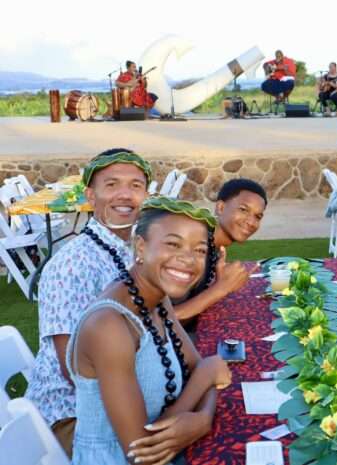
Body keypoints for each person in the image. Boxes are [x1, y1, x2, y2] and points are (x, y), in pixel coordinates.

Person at [67, 196, 232, 465]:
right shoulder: (109, 326)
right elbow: (141, 453)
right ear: (140, 247)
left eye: (200, 250)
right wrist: (204, 386)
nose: (188, 260)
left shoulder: (158, 299)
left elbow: (198, 366)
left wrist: (202, 416)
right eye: (172, 244)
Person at [25, 148, 152, 457]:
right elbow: (73, 368)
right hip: (73, 413)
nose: (125, 195)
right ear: (91, 196)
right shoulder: (71, 265)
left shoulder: (131, 250)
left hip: (121, 390)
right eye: (112, 185)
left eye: (135, 185)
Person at [173, 179, 267, 326]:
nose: (251, 222)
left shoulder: (214, 247)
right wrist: (221, 288)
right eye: (243, 209)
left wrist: (217, 283)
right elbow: (164, 320)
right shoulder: (193, 247)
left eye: (258, 216)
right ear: (221, 207)